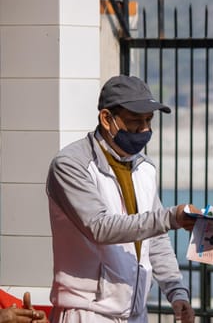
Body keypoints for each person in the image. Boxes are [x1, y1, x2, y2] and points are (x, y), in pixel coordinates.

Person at [46, 75, 198, 322]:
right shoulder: (71, 165)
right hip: (88, 313)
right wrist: (172, 217)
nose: (145, 129)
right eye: (135, 121)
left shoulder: (145, 168)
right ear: (107, 119)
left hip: (136, 313)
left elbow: (155, 238)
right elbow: (99, 227)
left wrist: (176, 291)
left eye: (149, 120)